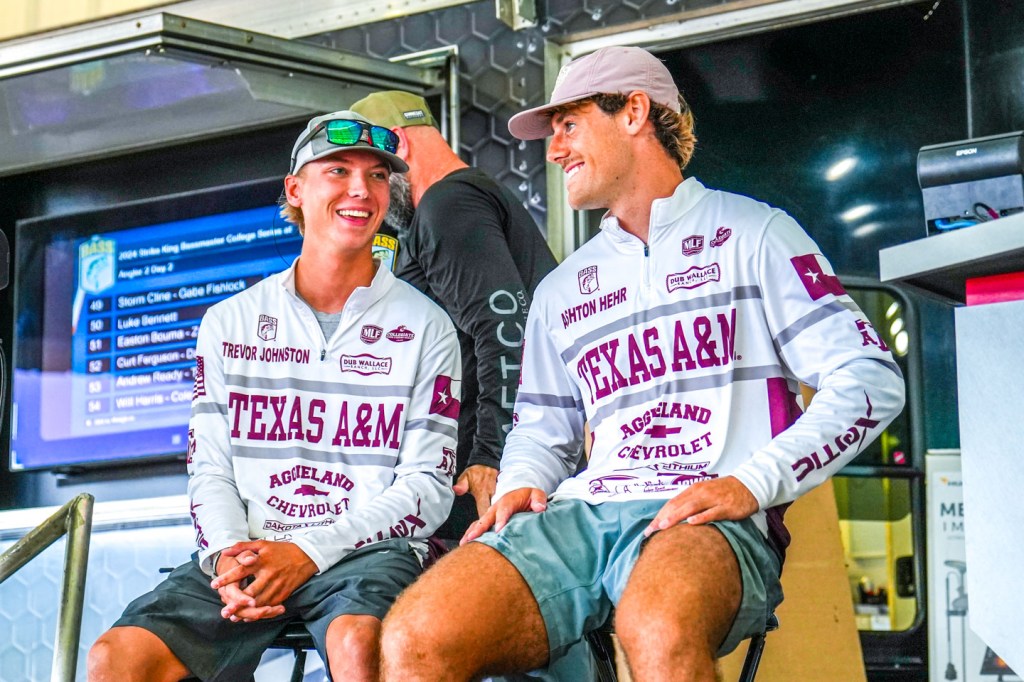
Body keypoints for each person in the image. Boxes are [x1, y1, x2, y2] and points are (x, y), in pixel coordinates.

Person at [378, 45, 906, 681]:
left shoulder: (757, 233)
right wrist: (520, 481)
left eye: (568, 126)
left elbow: (868, 379)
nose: (554, 150)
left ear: (633, 113)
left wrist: (753, 483)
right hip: (580, 513)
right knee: (413, 636)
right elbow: (542, 430)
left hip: (708, 513)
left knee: (655, 627)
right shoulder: (562, 289)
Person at [87, 110, 461, 682]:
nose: (362, 190)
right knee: (114, 659)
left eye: (378, 175)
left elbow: (426, 490)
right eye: (338, 171)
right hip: (252, 550)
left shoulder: (428, 325)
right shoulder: (228, 322)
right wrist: (228, 556)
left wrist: (308, 551)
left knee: (359, 645)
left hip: (367, 552)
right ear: (295, 190)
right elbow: (211, 470)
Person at [350, 91, 559, 539]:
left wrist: (491, 455)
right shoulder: (458, 201)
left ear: (398, 143)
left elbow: (506, 327)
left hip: (485, 479)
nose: (369, 190)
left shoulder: (447, 205)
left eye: (377, 171)